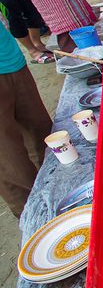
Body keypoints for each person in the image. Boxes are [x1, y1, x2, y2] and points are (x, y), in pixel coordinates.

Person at [0, 19, 52, 217]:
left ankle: (60, 196)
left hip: (11, 60)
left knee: (42, 134)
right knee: (11, 161)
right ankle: (36, 218)